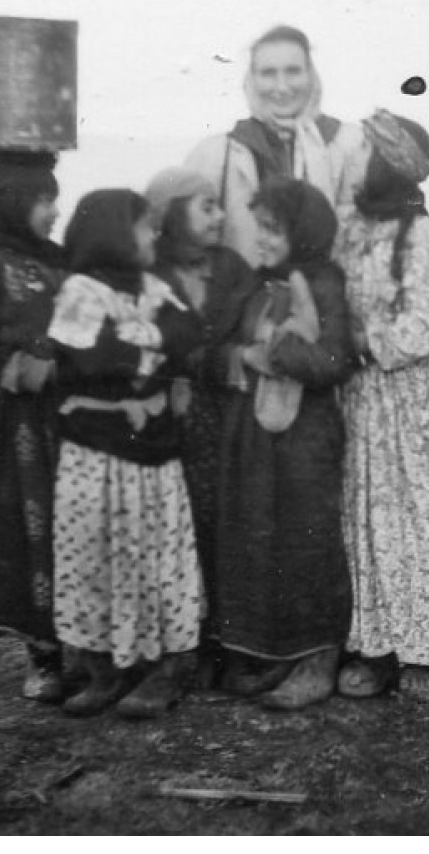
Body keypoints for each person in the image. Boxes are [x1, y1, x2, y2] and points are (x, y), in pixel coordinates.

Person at [47, 189, 204, 719]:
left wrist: (141, 341)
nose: (152, 238)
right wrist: (150, 350)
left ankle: (165, 669)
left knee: (157, 554)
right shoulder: (80, 289)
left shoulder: (154, 286)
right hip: (96, 451)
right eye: (143, 228)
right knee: (95, 554)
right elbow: (91, 358)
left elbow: (187, 333)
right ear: (112, 233)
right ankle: (105, 669)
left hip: (152, 454)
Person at [213, 176, 354, 710]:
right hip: (253, 437)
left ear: (303, 229)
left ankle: (318, 656)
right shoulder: (256, 284)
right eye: (260, 229)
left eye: (273, 230)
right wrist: (242, 356)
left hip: (305, 441)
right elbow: (225, 347)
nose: (263, 240)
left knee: (305, 541)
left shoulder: (324, 283)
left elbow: (335, 362)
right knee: (258, 537)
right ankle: (270, 654)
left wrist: (279, 351)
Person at [333, 110, 429, 703]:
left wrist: (366, 342)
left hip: (400, 397)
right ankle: (370, 645)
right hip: (352, 395)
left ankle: (418, 651)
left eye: (362, 152)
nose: (351, 161)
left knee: (404, 517)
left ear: (388, 163)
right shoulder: (348, 229)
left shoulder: (424, 236)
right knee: (356, 517)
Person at [143, 165, 258, 688]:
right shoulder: (147, 274)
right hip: (171, 426)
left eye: (219, 205)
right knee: (177, 531)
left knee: (232, 527)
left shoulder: (233, 269)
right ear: (169, 214)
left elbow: (253, 328)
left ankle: (235, 642)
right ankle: (187, 643)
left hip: (232, 422)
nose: (218, 216)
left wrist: (216, 360)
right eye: (205, 205)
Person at [0, 150, 67, 703]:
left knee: (74, 523)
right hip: (22, 425)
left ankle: (84, 643)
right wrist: (23, 368)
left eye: (54, 197)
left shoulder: (61, 259)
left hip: (71, 416)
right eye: (45, 199)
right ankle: (42, 656)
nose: (54, 209)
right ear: (16, 202)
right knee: (31, 529)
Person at [183, 24, 366, 265]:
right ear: (251, 79)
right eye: (268, 73)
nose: (281, 86)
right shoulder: (216, 154)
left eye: (293, 71)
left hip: (328, 293)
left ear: (311, 75)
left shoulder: (350, 145)